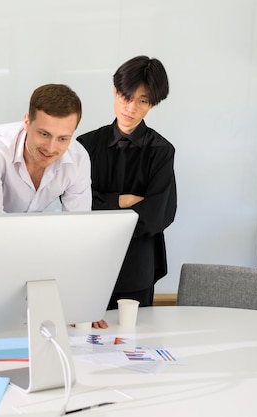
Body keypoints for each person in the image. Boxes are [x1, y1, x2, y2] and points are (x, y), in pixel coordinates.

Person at [76, 56, 177, 328]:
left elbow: (158, 215)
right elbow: (75, 205)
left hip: (138, 266)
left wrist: (103, 207)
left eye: (142, 100)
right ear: (114, 91)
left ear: (153, 103)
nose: (130, 107)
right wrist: (122, 201)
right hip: (91, 262)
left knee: (135, 341)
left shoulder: (161, 151)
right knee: (85, 341)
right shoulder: (85, 145)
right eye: (125, 96)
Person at [0, 84, 91, 214]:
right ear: (27, 122)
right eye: (44, 134)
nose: (51, 149)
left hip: (29, 232)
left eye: (63, 139)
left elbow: (77, 221)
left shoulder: (78, 158)